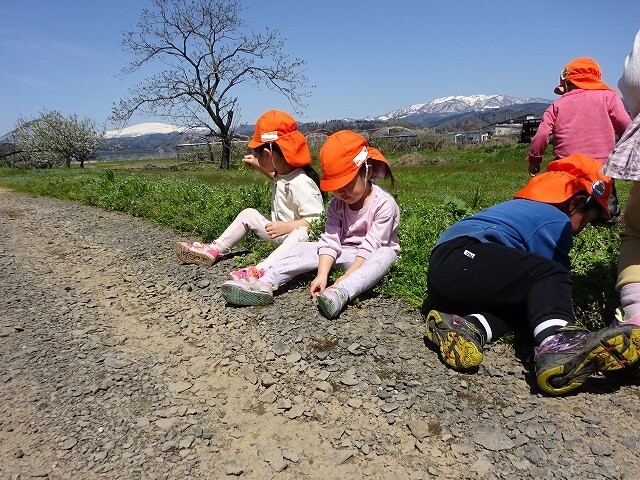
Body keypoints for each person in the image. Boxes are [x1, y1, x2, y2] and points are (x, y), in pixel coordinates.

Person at [424, 153, 640, 396]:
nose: (583, 229)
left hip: (450, 274)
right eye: (589, 220)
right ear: (576, 203)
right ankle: (558, 342)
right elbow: (551, 274)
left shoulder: (526, 208)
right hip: (463, 255)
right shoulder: (556, 220)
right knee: (549, 276)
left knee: (531, 303)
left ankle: (467, 326)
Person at [220, 130, 400, 320]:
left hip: (369, 257)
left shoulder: (384, 204)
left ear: (367, 171)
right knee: (302, 247)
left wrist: (347, 275)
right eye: (335, 187)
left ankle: (343, 291)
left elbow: (371, 245)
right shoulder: (337, 204)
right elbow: (330, 241)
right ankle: (264, 283)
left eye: (346, 184)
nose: (341, 192)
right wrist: (322, 274)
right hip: (343, 252)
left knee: (386, 255)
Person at [175, 110, 324, 281]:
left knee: (303, 231)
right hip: (283, 235)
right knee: (248, 214)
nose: (255, 157)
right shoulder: (285, 174)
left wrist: (287, 227)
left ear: (267, 155)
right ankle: (215, 249)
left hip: (303, 242)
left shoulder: (302, 182)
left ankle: (264, 269)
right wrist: (257, 165)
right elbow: (278, 180)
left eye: (257, 154)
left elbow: (317, 221)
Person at [527, 57, 631, 177]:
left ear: (566, 85)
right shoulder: (609, 97)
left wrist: (534, 160)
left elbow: (542, 135)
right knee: (604, 189)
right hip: (601, 169)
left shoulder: (557, 105)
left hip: (566, 169)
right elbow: (626, 127)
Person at [602, 29, 640, 327]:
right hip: (600, 158)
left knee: (637, 233)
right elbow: (621, 119)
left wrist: (536, 157)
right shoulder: (605, 98)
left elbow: (633, 77)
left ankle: (636, 312)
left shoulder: (558, 105)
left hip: (575, 167)